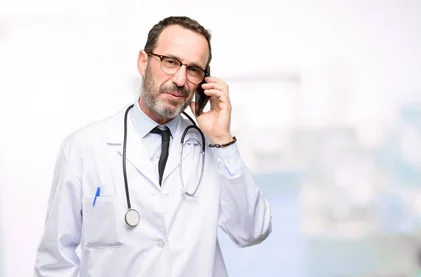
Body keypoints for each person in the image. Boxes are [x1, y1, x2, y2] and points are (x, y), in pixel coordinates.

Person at [33, 16, 272, 277]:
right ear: (143, 62)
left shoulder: (215, 150)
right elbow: (55, 262)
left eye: (193, 69)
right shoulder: (83, 148)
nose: (180, 79)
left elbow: (251, 231)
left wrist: (222, 139)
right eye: (170, 62)